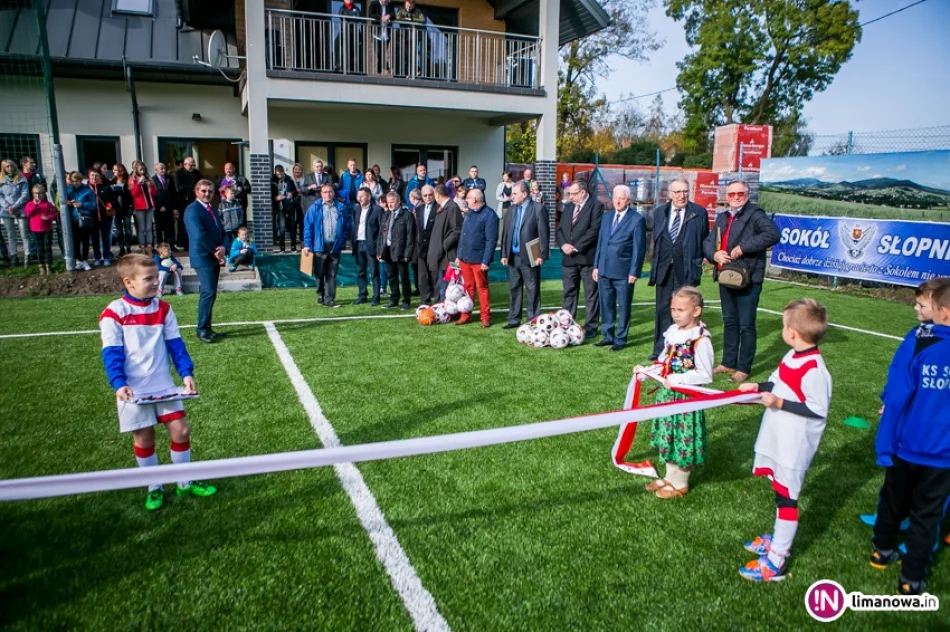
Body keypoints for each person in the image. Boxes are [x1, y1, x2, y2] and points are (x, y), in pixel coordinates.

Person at [98, 253, 217, 511]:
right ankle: (154, 487)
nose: (155, 282)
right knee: (144, 439)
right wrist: (118, 383)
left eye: (156, 277)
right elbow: (111, 352)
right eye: (149, 278)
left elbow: (176, 344)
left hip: (163, 385)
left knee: (181, 430)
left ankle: (184, 481)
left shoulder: (163, 308)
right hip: (133, 390)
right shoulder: (114, 312)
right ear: (128, 282)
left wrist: (186, 373)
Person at [737, 299, 831, 583]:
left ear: (792, 332)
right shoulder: (792, 356)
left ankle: (776, 559)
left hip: (794, 446)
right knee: (779, 492)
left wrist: (779, 402)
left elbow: (817, 409)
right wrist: (759, 387)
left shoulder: (815, 369)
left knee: (787, 498)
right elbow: (777, 383)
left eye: (783, 325)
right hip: (777, 437)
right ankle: (777, 537)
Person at [871, 280, 950, 595]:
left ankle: (882, 549)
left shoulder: (918, 339)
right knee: (928, 515)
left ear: (942, 311)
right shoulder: (919, 338)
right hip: (944, 455)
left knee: (893, 500)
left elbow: (899, 391)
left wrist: (885, 434)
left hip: (908, 446)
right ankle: (912, 578)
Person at [632, 287, 714, 498]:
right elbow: (663, 361)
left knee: (683, 438)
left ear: (696, 311)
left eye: (681, 310)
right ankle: (670, 477)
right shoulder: (673, 333)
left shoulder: (701, 340)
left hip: (686, 400)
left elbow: (705, 374)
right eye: (673, 309)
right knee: (668, 436)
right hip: (667, 397)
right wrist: (646, 373)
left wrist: (677, 379)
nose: (676, 314)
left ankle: (682, 482)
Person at [702, 180, 779, 382]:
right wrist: (714, 254)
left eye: (740, 193)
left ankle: (743, 367)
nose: (736, 197)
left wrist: (744, 247)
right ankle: (728, 362)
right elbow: (708, 242)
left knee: (746, 325)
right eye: (732, 194)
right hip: (726, 276)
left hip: (748, 278)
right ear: (726, 197)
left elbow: (772, 234)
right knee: (729, 321)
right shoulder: (723, 217)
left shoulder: (755, 214)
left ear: (748, 194)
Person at [649, 178, 710, 360]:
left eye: (685, 191)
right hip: (664, 269)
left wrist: (704, 260)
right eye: (677, 192)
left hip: (686, 269)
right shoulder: (660, 212)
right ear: (670, 194)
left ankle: (685, 351)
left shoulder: (699, 213)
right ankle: (660, 350)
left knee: (686, 311)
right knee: (662, 310)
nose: (681, 196)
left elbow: (704, 239)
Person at [593, 185, 646, 352]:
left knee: (623, 306)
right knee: (606, 304)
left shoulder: (637, 219)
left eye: (621, 198)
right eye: (615, 197)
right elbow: (601, 243)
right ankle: (607, 336)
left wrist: (634, 271)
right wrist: (596, 266)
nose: (617, 201)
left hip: (623, 272)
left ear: (628, 200)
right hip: (604, 269)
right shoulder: (607, 217)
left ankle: (621, 339)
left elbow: (639, 248)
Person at [557, 180, 603, 338]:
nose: (570, 197)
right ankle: (567, 325)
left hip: (586, 258)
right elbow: (560, 229)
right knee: (569, 293)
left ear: (583, 192)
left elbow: (594, 231)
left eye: (573, 193)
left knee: (590, 294)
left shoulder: (596, 206)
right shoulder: (569, 207)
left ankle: (591, 327)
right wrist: (563, 245)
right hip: (568, 259)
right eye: (569, 193)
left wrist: (575, 247)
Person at [183, 179, 226, 344]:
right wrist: (216, 252)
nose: (207, 194)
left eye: (210, 191)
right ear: (196, 191)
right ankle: (202, 329)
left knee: (211, 292)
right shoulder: (192, 210)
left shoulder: (212, 210)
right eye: (203, 191)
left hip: (214, 255)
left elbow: (221, 232)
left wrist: (223, 247)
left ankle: (208, 327)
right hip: (203, 256)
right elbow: (199, 235)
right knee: (208, 292)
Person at [500, 181, 548, 328]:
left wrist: (542, 254)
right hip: (513, 257)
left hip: (530, 255)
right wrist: (504, 254)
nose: (511, 196)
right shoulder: (511, 210)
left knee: (532, 290)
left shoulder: (538, 209)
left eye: (515, 193)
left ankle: (532, 321)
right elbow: (506, 233)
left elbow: (544, 233)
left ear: (525, 194)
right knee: (514, 288)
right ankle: (514, 320)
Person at [303, 183, 351, 308]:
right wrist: (307, 245)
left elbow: (346, 226)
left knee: (332, 274)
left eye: (330, 192)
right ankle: (320, 294)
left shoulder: (341, 207)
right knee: (319, 273)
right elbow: (308, 228)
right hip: (320, 246)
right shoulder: (314, 208)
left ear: (333, 193)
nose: (328, 194)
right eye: (325, 192)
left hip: (334, 246)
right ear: (321, 193)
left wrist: (341, 241)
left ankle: (329, 299)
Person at [455, 188, 497, 327]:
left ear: (474, 200)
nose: (466, 200)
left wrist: (486, 260)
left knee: (482, 288)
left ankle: (485, 317)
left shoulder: (489, 215)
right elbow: (463, 235)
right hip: (465, 258)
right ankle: (466, 314)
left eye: (467, 198)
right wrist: (459, 255)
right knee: (468, 287)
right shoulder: (469, 213)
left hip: (479, 259)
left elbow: (491, 240)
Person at [376, 191, 415, 310]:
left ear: (398, 201)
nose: (390, 204)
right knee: (391, 276)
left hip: (401, 251)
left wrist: (408, 253)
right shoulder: (385, 215)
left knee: (404, 277)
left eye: (392, 202)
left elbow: (410, 235)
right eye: (388, 202)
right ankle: (394, 299)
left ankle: (406, 300)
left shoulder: (407, 215)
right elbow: (381, 234)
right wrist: (379, 251)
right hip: (387, 250)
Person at [429, 184, 463, 302]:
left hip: (448, 255)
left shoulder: (452, 207)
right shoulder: (444, 207)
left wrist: (445, 244)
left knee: (449, 286)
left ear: (437, 195)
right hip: (441, 255)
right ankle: (442, 306)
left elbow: (457, 229)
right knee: (441, 284)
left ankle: (448, 309)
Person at [352, 187, 382, 305]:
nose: (360, 198)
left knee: (374, 272)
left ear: (369, 196)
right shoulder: (356, 209)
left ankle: (376, 297)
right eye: (358, 196)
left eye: (362, 195)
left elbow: (380, 231)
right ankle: (362, 295)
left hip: (371, 245)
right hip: (358, 243)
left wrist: (378, 247)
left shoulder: (377, 210)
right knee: (360, 272)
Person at [0, 159, 29, 267]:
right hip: (6, 210)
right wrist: (8, 207)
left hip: (20, 209)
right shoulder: (1, 179)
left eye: (11, 166)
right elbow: (0, 196)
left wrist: (15, 206)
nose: (10, 168)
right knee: (11, 234)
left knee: (24, 234)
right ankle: (14, 257)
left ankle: (27, 256)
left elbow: (25, 194)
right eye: (7, 166)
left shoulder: (21, 177)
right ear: (4, 168)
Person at [65, 171, 96, 271]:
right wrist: (68, 203)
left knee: (85, 241)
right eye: (73, 181)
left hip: (84, 219)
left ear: (81, 180)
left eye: (77, 181)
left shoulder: (87, 191)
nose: (75, 183)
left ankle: (85, 260)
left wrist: (82, 205)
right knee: (75, 241)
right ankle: (79, 259)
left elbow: (94, 205)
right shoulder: (68, 191)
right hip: (73, 219)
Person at [24, 184, 57, 274]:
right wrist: (35, 205)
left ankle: (48, 266)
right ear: (32, 194)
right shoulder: (30, 204)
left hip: (47, 229)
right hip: (35, 230)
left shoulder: (48, 204)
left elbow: (54, 215)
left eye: (40, 193)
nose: (38, 196)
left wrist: (48, 217)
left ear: (43, 194)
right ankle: (41, 266)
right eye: (35, 193)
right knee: (39, 249)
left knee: (47, 248)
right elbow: (28, 214)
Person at [415, 184, 439, 304]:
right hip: (422, 248)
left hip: (435, 247)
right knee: (422, 277)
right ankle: (425, 301)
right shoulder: (419, 209)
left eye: (430, 195)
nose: (428, 197)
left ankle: (438, 301)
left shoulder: (439, 208)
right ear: (422, 196)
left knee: (435, 276)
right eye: (425, 195)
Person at [129, 160, 158, 255]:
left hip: (149, 206)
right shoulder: (133, 179)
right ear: (136, 170)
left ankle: (149, 246)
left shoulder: (148, 178)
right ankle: (142, 246)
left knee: (149, 227)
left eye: (144, 169)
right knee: (141, 228)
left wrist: (150, 185)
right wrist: (139, 183)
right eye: (141, 169)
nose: (142, 171)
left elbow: (154, 193)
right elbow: (134, 193)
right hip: (139, 207)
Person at [174, 157, 202, 251]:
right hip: (183, 202)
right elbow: (179, 187)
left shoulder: (197, 173)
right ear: (185, 164)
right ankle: (184, 243)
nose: (192, 167)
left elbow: (201, 184)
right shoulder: (178, 174)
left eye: (193, 165)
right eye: (190, 165)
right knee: (184, 223)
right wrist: (193, 188)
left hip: (195, 200)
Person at [88, 169, 115, 266]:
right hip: (92, 217)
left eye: (96, 175)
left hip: (105, 217)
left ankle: (106, 257)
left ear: (100, 177)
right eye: (92, 175)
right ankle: (97, 258)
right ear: (89, 176)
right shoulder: (86, 188)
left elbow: (114, 199)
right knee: (95, 238)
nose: (94, 178)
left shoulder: (106, 187)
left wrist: (110, 204)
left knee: (106, 237)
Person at [394, 0, 426, 78]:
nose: (410, 5)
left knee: (412, 55)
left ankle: (414, 71)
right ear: (405, 3)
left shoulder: (417, 11)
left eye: (412, 3)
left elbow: (423, 20)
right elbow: (398, 18)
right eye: (409, 3)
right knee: (404, 54)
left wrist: (411, 20)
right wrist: (406, 19)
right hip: (403, 36)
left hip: (413, 36)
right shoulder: (401, 9)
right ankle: (403, 73)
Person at [271, 165, 298, 253]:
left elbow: (295, 191)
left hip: (290, 205)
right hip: (280, 206)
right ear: (275, 173)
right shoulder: (273, 181)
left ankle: (293, 246)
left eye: (281, 173)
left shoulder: (289, 180)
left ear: (283, 172)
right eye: (278, 174)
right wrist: (275, 198)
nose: (280, 175)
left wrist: (291, 194)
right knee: (282, 227)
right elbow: (270, 194)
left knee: (292, 225)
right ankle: (282, 247)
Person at [110, 164, 134, 256]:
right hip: (117, 209)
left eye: (116, 170)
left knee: (127, 228)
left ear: (121, 171)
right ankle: (121, 247)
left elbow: (130, 194)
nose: (114, 171)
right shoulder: (112, 181)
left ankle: (128, 247)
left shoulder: (128, 180)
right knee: (118, 230)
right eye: (113, 170)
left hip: (127, 207)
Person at [152, 162, 177, 250]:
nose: (163, 170)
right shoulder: (152, 180)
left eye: (164, 168)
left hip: (169, 206)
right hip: (158, 207)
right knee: (159, 227)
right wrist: (159, 206)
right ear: (156, 170)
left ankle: (171, 244)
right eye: (161, 169)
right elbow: (153, 195)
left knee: (170, 226)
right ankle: (160, 246)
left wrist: (172, 206)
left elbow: (173, 193)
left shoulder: (169, 178)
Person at [335, 0, 365, 74]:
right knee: (337, 43)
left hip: (354, 32)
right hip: (344, 31)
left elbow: (358, 18)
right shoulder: (342, 8)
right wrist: (352, 17)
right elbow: (342, 17)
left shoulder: (356, 8)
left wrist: (350, 18)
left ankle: (356, 68)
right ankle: (338, 65)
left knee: (355, 48)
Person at [369, 0, 397, 74]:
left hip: (386, 35)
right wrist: (381, 17)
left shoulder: (390, 5)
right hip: (376, 34)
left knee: (382, 53)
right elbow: (371, 14)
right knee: (379, 53)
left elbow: (394, 15)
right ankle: (387, 68)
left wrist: (389, 16)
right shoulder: (374, 3)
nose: (385, 2)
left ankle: (379, 72)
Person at [218, 185, 245, 254]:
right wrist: (223, 224)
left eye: (234, 193)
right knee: (228, 243)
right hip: (227, 228)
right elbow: (219, 216)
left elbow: (241, 214)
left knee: (236, 243)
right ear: (226, 193)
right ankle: (229, 256)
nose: (233, 195)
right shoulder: (222, 205)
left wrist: (240, 223)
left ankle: (236, 255)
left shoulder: (237, 203)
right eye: (231, 193)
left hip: (236, 228)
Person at [291, 163, 307, 244]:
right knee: (292, 223)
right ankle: (293, 242)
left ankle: (302, 241)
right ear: (293, 170)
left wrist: (301, 190)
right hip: (292, 204)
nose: (297, 171)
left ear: (301, 171)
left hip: (302, 203)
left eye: (299, 169)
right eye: (296, 169)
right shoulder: (290, 179)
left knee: (302, 223)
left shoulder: (305, 179)